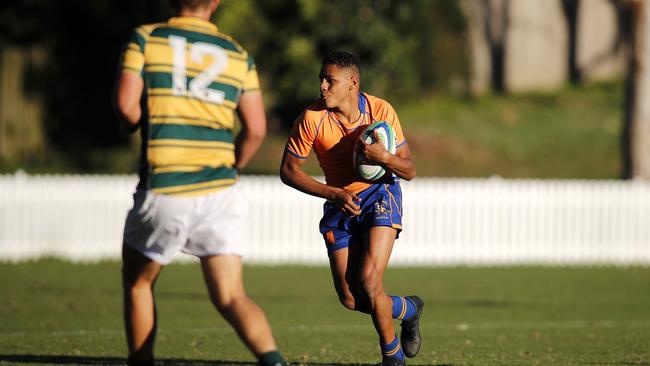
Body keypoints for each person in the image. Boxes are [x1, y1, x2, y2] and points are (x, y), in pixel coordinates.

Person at [115, 1, 287, 365]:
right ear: (216, 3)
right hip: (220, 189)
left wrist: (143, 123)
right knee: (231, 296)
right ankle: (274, 362)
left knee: (139, 282)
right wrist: (234, 165)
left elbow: (126, 105)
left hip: (167, 184)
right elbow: (256, 129)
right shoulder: (238, 54)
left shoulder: (147, 39)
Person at [280, 51, 423, 366]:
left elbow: (409, 171)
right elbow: (289, 171)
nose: (322, 86)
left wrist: (384, 157)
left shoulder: (380, 110)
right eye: (322, 78)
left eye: (330, 80)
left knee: (370, 280)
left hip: (380, 194)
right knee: (351, 298)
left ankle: (392, 358)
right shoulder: (312, 118)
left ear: (352, 83)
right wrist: (334, 193)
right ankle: (408, 309)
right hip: (339, 202)